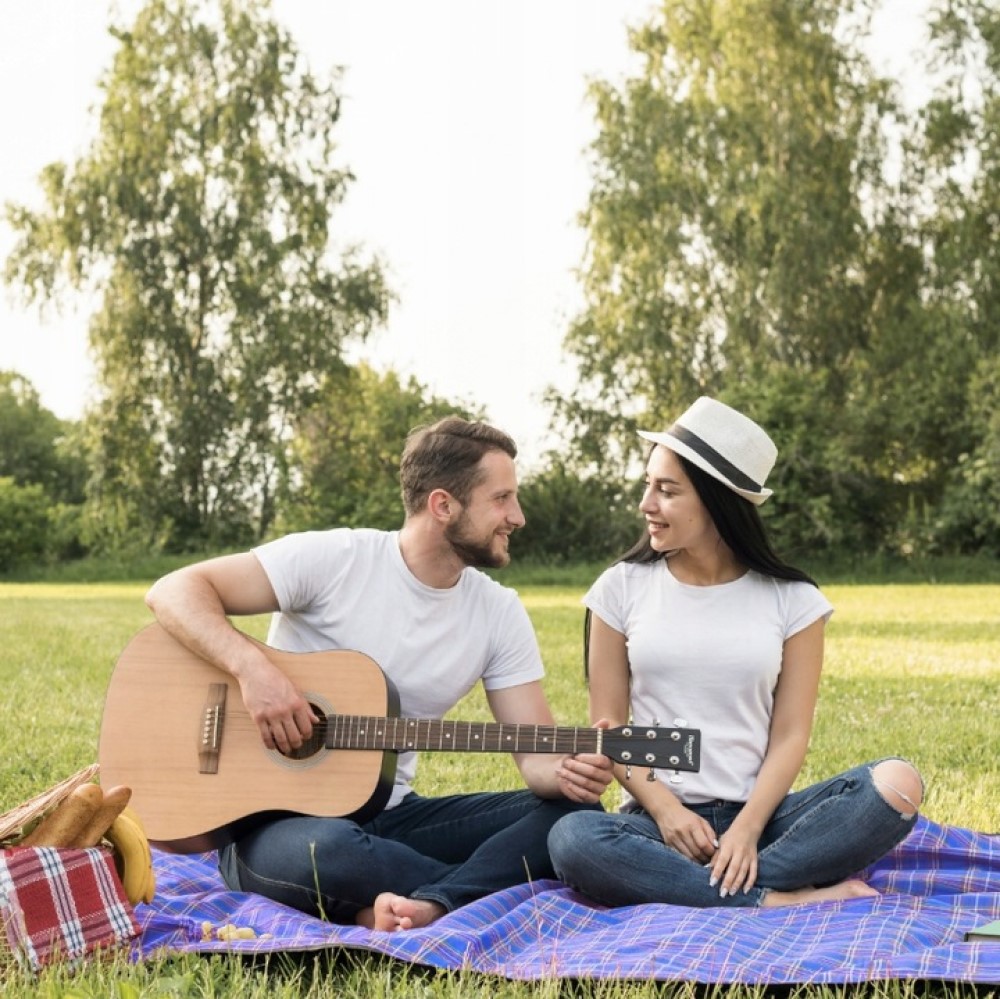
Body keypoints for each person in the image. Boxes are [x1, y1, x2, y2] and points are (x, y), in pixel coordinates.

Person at [145, 416, 613, 931]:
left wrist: (567, 773)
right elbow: (172, 591)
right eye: (501, 498)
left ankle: (430, 902)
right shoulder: (335, 559)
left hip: (390, 817)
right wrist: (253, 670)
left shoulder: (499, 612)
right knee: (323, 854)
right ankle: (468, 888)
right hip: (277, 821)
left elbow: (536, 759)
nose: (517, 516)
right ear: (443, 505)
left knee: (570, 820)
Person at [547, 397, 924, 909]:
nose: (646, 505)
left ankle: (710, 882)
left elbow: (791, 734)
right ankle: (774, 899)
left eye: (667, 490)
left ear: (717, 501)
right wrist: (667, 813)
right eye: (648, 486)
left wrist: (746, 830)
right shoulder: (621, 588)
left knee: (896, 786)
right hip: (655, 825)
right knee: (574, 839)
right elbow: (610, 727)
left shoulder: (794, 601)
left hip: (765, 821)